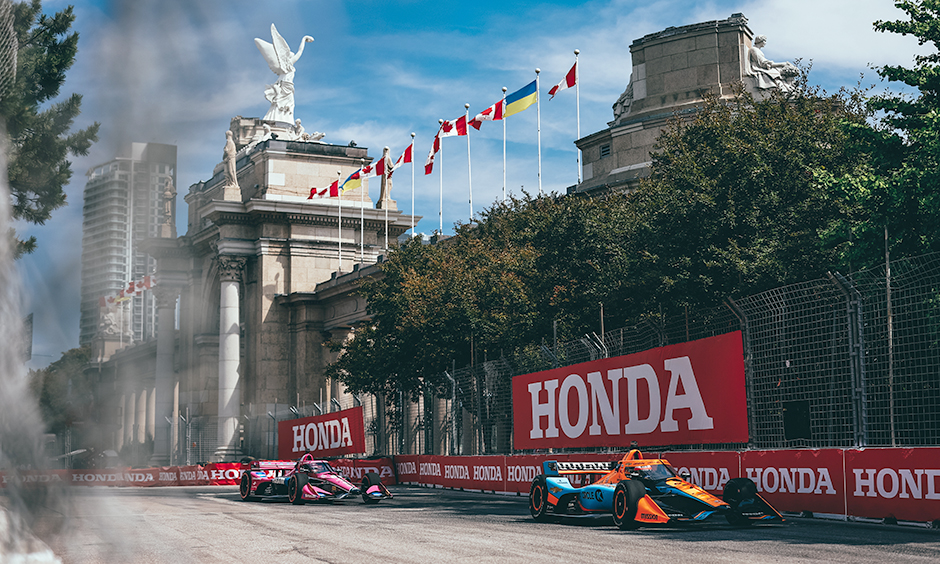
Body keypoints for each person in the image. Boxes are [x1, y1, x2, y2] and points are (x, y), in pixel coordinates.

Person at [255, 24, 314, 123]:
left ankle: (281, 120)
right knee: (286, 105)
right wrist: (304, 39)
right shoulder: (288, 64)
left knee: (282, 105)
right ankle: (282, 121)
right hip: (286, 86)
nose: (293, 54)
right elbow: (300, 52)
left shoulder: (287, 66)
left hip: (285, 85)